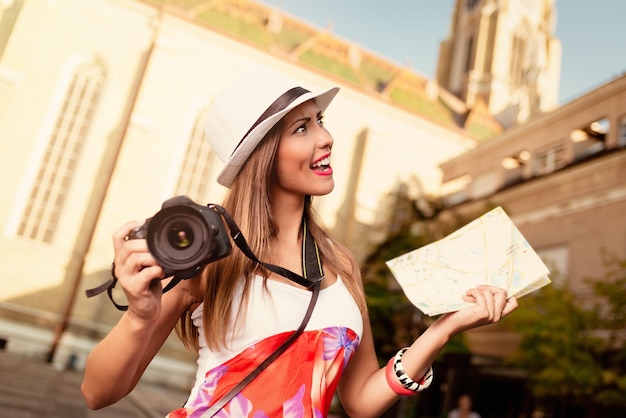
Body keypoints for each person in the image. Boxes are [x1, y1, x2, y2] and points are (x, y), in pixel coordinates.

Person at [81, 68, 518, 417]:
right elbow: (97, 393)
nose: (326, 137)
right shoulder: (211, 254)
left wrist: (443, 329)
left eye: (320, 122)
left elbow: (360, 401)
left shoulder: (341, 263)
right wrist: (139, 315)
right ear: (263, 154)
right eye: (302, 128)